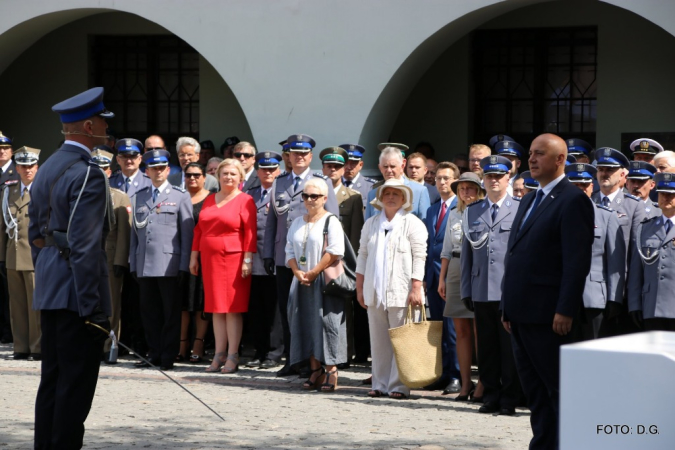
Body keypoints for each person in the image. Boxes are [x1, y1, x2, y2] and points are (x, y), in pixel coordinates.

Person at [30, 87, 113, 449]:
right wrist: (93, 307)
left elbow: (36, 237)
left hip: (51, 287)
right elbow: (84, 245)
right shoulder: (88, 173)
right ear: (89, 125)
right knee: (75, 386)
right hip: (77, 294)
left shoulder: (47, 166)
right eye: (103, 124)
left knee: (53, 379)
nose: (107, 131)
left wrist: (49, 273)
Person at [501, 133, 594, 449]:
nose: (532, 159)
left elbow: (576, 262)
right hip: (521, 313)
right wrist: (507, 307)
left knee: (558, 390)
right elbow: (515, 255)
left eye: (540, 154)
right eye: (530, 153)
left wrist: (565, 308)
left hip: (549, 316)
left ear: (560, 160)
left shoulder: (573, 200)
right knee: (535, 392)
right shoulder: (529, 197)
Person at [263, 134, 340, 377]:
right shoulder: (280, 182)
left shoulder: (321, 182)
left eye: (304, 153)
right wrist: (268, 253)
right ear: (288, 156)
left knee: (313, 311)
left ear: (310, 156)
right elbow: (272, 222)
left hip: (316, 259)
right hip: (287, 258)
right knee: (288, 311)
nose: (299, 157)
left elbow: (333, 219)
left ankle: (313, 361)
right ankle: (292, 359)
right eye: (295, 153)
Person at [460, 155, 522, 416]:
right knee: (486, 346)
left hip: (509, 290)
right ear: (483, 179)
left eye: (499, 175)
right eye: (489, 176)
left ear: (509, 177)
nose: (494, 180)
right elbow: (466, 254)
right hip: (481, 287)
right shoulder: (473, 211)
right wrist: (465, 289)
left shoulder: (521, 208)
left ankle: (509, 398)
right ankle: (491, 396)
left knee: (509, 348)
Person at [356, 179, 427, 399]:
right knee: (378, 340)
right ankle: (380, 383)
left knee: (401, 339)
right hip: (374, 290)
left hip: (402, 289)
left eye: (397, 194)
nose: (391, 197)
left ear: (404, 199)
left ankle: (398, 386)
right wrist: (359, 287)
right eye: (387, 193)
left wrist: (416, 286)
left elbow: (420, 256)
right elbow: (363, 256)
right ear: (380, 198)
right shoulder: (371, 224)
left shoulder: (412, 223)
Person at [130, 149, 194, 371]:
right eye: (153, 168)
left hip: (169, 265)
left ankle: (168, 356)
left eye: (161, 168)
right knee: (149, 313)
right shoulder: (140, 195)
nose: (157, 172)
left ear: (168, 170)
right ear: (146, 171)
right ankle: (153, 353)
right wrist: (132, 263)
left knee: (170, 314)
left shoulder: (180, 196)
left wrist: (184, 266)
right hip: (144, 264)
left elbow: (187, 234)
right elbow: (134, 235)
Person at [191, 159, 256, 374]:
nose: (229, 177)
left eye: (233, 174)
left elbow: (250, 232)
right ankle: (219, 354)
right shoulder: (210, 199)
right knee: (215, 308)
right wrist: (194, 256)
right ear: (218, 176)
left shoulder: (245, 200)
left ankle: (233, 355)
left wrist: (247, 260)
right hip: (210, 259)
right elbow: (199, 229)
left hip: (234, 259)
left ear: (241, 177)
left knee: (232, 309)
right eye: (225, 173)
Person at [285, 178, 346, 391]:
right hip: (300, 280)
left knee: (327, 324)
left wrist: (313, 272)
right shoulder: (297, 222)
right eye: (306, 196)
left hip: (323, 280)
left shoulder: (331, 221)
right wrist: (297, 272)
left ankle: (331, 370)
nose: (310, 200)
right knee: (304, 322)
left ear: (324, 198)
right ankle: (315, 369)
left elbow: (336, 251)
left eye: (315, 196)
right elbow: (289, 251)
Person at [439, 171, 486, 402]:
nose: (466, 192)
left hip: (479, 268)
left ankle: (484, 383)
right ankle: (465, 383)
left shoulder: (487, 210)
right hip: (456, 268)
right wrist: (442, 278)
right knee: (461, 331)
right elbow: (447, 249)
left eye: (470, 188)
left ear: (478, 190)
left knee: (481, 330)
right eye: (462, 189)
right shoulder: (454, 213)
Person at [565, 163, 625, 340]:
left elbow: (616, 262)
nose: (580, 189)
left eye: (584, 185)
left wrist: (614, 299)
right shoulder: (557, 215)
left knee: (594, 354)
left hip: (594, 298)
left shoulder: (607, 216)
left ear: (592, 186)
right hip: (562, 298)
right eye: (575, 185)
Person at [320, 147, 365, 366]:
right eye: (329, 166)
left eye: (337, 166)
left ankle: (343, 353)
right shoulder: (314, 192)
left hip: (341, 262)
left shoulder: (353, 198)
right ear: (323, 168)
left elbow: (355, 235)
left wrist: (352, 265)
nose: (333, 170)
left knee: (343, 309)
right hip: (317, 259)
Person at [421, 162, 461, 394]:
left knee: (453, 328)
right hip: (433, 275)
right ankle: (443, 373)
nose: (442, 182)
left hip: (452, 275)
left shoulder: (462, 206)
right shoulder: (432, 210)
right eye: (438, 179)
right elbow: (429, 244)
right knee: (438, 327)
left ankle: (456, 374)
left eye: (446, 178)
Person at [111, 138, 153, 358]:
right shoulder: (110, 181)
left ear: (140, 158)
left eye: (133, 156)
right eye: (124, 156)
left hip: (140, 250)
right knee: (116, 299)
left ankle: (139, 344)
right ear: (117, 159)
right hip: (114, 250)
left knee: (139, 301)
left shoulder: (149, 182)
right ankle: (118, 342)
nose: (129, 160)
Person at [92, 146, 132, 363]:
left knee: (111, 306)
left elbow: (124, 235)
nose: (100, 172)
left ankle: (109, 345)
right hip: (87, 259)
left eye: (104, 168)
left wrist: (120, 261)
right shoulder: (81, 195)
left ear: (109, 171)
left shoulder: (119, 197)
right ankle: (92, 344)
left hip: (109, 259)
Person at [0, 147, 41, 361]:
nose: (27, 170)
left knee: (35, 306)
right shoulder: (9, 190)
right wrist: (1, 257)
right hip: (13, 255)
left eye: (31, 166)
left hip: (34, 257)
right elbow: (2, 226)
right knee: (16, 305)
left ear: (37, 167)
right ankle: (21, 346)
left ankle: (36, 347)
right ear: (17, 168)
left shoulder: (43, 191)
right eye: (23, 166)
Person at [244, 152, 281, 369]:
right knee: (256, 308)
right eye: (264, 169)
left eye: (272, 169)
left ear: (278, 170)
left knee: (274, 309)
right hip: (252, 257)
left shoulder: (283, 193)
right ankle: (259, 351)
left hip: (274, 257)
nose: (268, 172)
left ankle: (274, 353)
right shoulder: (250, 194)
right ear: (257, 171)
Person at [628, 171, 675, 331]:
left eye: (671, 194)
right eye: (662, 194)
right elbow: (636, 271)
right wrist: (634, 304)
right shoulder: (645, 227)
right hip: (651, 306)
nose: (666, 198)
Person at [179, 163, 211, 364]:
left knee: (201, 303)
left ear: (204, 177)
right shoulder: (178, 197)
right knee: (182, 303)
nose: (192, 178)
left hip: (205, 257)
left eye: (196, 175)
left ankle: (198, 344)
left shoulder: (211, 199)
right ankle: (182, 345)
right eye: (188, 175)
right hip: (182, 255)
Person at [364, 147, 431, 221]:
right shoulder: (373, 194)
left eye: (393, 166)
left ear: (402, 165)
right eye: (385, 166)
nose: (389, 170)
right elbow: (368, 225)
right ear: (380, 168)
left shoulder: (419, 191)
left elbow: (425, 225)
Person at [0, 132, 20, 345]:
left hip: (8, 237)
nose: (1, 152)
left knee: (8, 290)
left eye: (5, 148)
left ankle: (8, 330)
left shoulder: (17, 172)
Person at [339, 143, 376, 207]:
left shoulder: (371, 187)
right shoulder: (332, 184)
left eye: (353, 163)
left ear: (361, 165)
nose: (349, 167)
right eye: (346, 163)